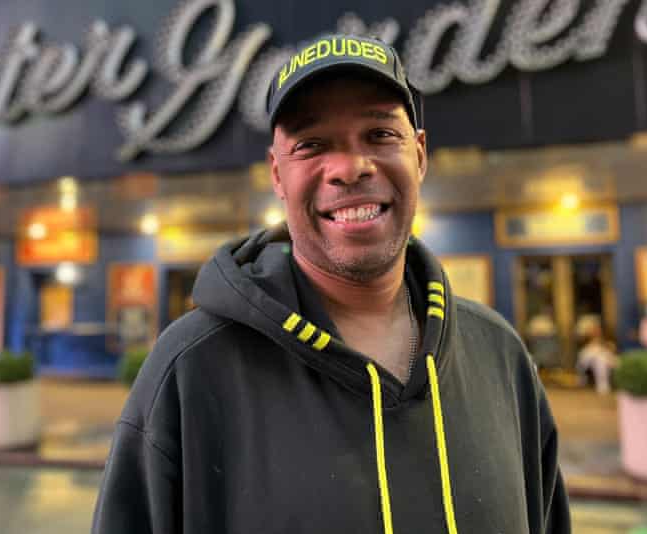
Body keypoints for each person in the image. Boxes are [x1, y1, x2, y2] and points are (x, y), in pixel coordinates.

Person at [92, 34, 570, 533]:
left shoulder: (500, 357)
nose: (349, 168)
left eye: (381, 134)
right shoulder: (189, 372)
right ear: (277, 175)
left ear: (420, 155)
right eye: (312, 145)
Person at [575, 317, 619, 394]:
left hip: (607, 357)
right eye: (593, 328)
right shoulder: (585, 340)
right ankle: (585, 378)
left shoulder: (607, 337)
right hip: (592, 360)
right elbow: (584, 355)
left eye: (597, 328)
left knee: (605, 359)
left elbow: (613, 349)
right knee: (598, 359)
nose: (596, 330)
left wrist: (604, 345)